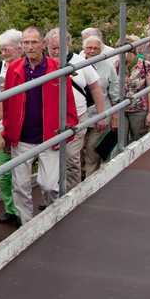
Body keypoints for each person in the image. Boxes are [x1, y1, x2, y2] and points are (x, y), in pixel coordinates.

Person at [1, 26, 78, 219]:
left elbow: (68, 102)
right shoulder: (14, 69)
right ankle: (26, 225)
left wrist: (67, 129)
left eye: (34, 42)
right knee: (19, 186)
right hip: (22, 137)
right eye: (26, 42)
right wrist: (8, 136)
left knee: (51, 185)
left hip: (49, 137)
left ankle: (52, 218)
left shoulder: (56, 68)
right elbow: (7, 104)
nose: (30, 46)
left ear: (43, 44)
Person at [44, 28, 104, 190]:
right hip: (49, 120)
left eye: (59, 48)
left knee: (70, 157)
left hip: (76, 118)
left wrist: (101, 115)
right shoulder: (43, 63)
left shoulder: (80, 62)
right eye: (52, 48)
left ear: (68, 46)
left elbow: (96, 89)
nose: (56, 52)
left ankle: (71, 193)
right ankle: (54, 193)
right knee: (51, 158)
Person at [0, 29, 24, 226]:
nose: (4, 53)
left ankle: (21, 210)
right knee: (4, 173)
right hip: (0, 126)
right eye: (2, 49)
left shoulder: (27, 67)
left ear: (19, 48)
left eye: (7, 49)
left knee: (21, 173)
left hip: (21, 127)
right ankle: (10, 208)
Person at [80, 34, 121, 178]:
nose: (92, 51)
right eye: (89, 48)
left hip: (101, 115)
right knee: (78, 150)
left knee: (93, 150)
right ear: (84, 49)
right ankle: (79, 179)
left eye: (96, 49)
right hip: (81, 115)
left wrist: (115, 116)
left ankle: (90, 182)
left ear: (101, 50)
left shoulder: (108, 66)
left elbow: (115, 93)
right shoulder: (77, 64)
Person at [123, 34, 150, 143]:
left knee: (138, 139)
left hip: (139, 109)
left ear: (131, 52)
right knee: (119, 140)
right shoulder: (117, 65)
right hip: (121, 108)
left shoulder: (145, 65)